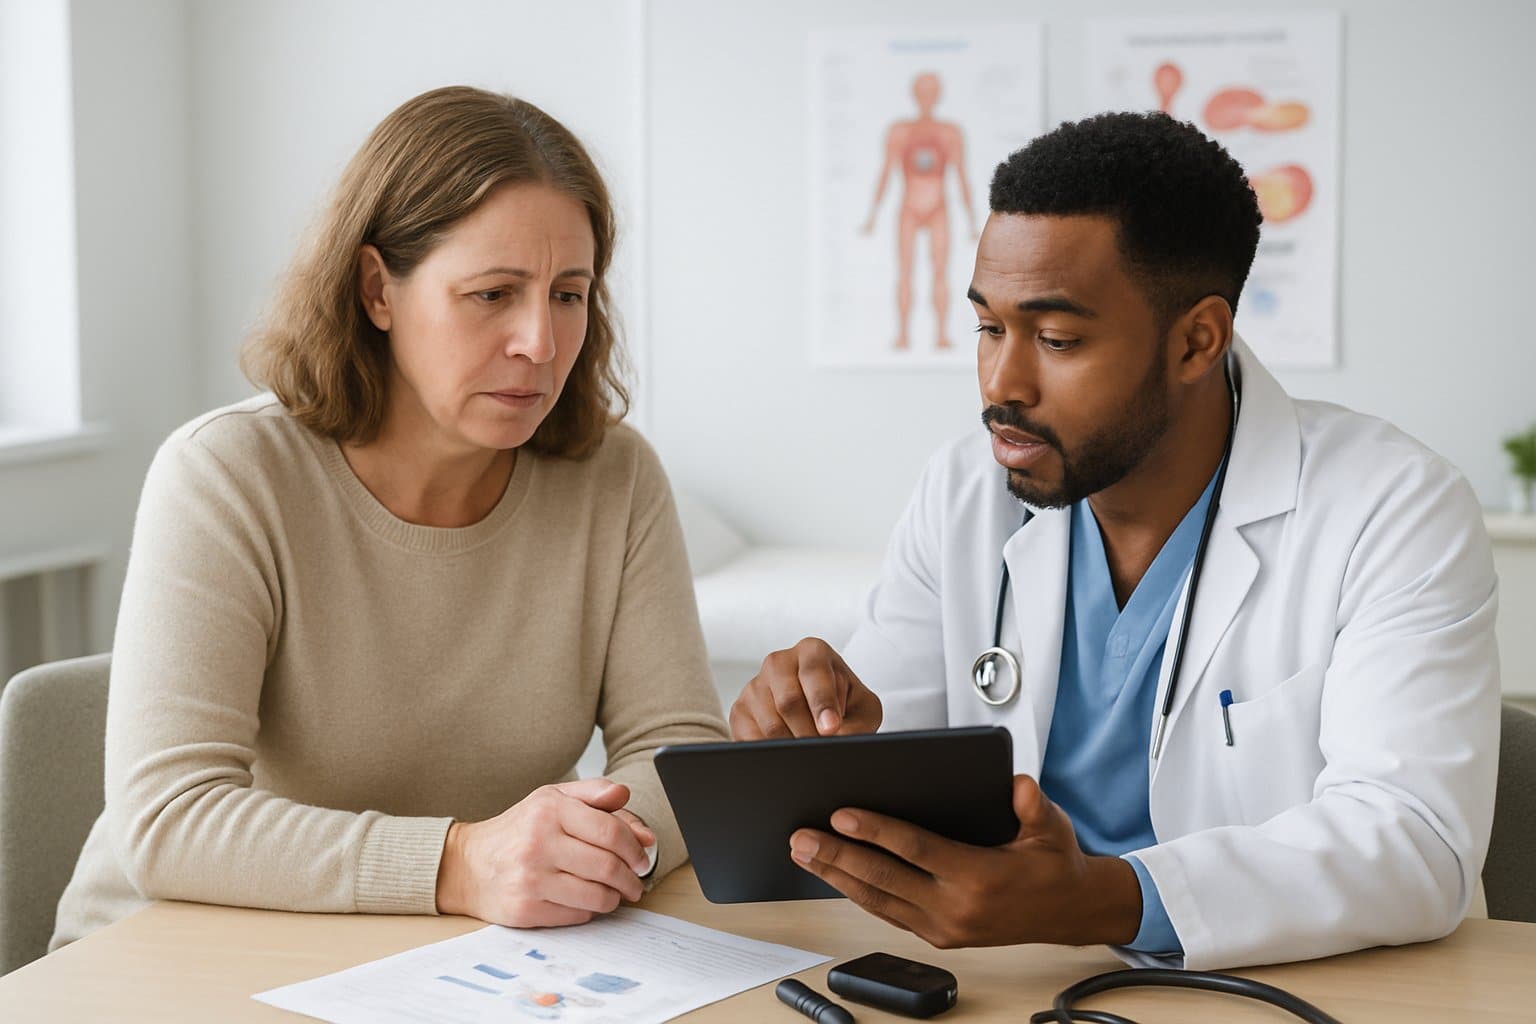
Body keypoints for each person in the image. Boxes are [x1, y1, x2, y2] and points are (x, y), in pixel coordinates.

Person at [732, 112, 1499, 971]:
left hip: (1294, 985)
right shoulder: (967, 491)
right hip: (1019, 979)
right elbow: (890, 753)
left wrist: (1100, 899)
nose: (1001, 384)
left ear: (1196, 341)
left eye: (1057, 340)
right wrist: (824, 740)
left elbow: (1416, 842)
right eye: (989, 327)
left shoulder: (1391, 508)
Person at [52, 86, 728, 948]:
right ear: (378, 289)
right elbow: (169, 820)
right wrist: (461, 863)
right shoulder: (227, 474)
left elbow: (679, 753)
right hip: (172, 953)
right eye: (492, 294)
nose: (542, 343)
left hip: (448, 960)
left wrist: (596, 849)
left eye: (568, 293)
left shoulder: (615, 477)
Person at [861, 72, 978, 351]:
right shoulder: (900, 131)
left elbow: (961, 175)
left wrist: (971, 221)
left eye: (932, 90)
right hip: (909, 208)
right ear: (914, 93)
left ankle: (941, 334)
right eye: (923, 90)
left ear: (938, 94)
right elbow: (886, 172)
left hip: (939, 208)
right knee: (906, 272)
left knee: (940, 272)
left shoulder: (950, 132)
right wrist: (872, 216)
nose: (927, 96)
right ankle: (903, 333)